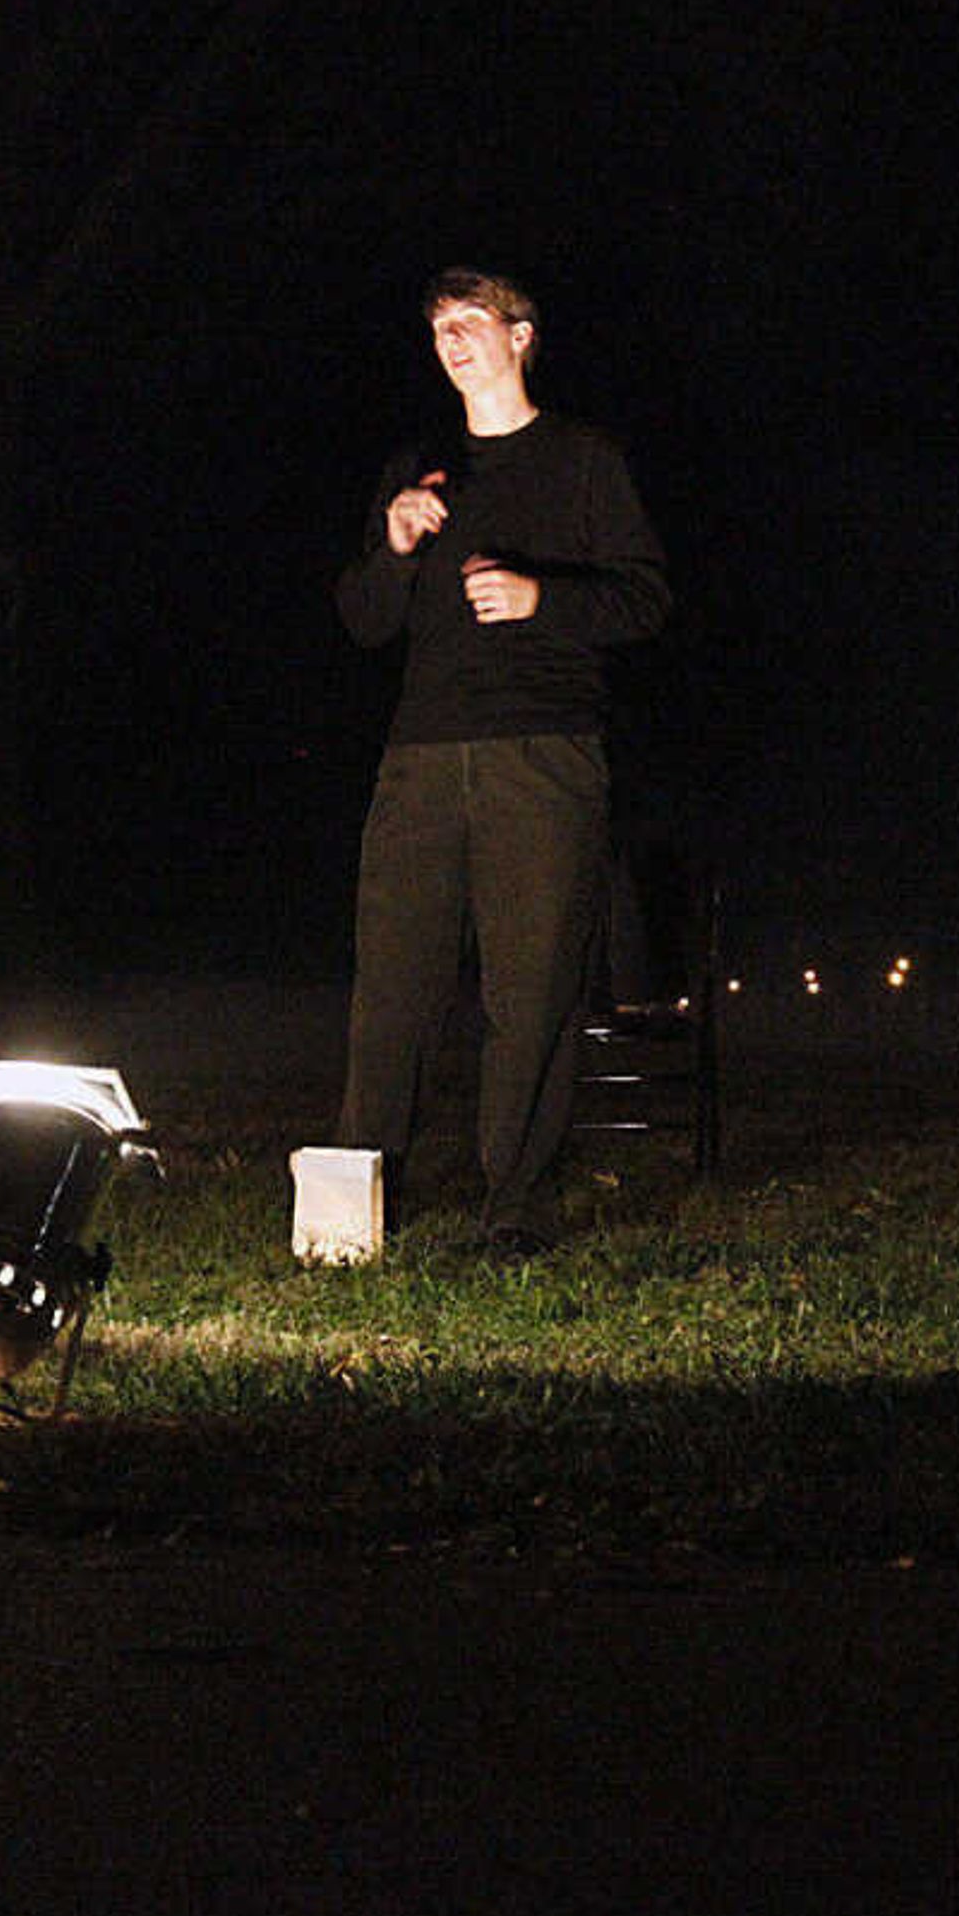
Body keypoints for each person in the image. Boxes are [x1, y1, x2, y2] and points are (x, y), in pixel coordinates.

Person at [334, 267, 671, 1248]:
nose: (453, 338)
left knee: (530, 992)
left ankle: (513, 1205)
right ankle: (357, 1200)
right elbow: (362, 620)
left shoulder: (583, 460)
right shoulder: (422, 465)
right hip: (422, 759)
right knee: (391, 984)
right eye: (439, 324)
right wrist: (394, 548)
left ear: (522, 335)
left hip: (544, 754)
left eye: (472, 320)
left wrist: (542, 601)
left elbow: (646, 600)